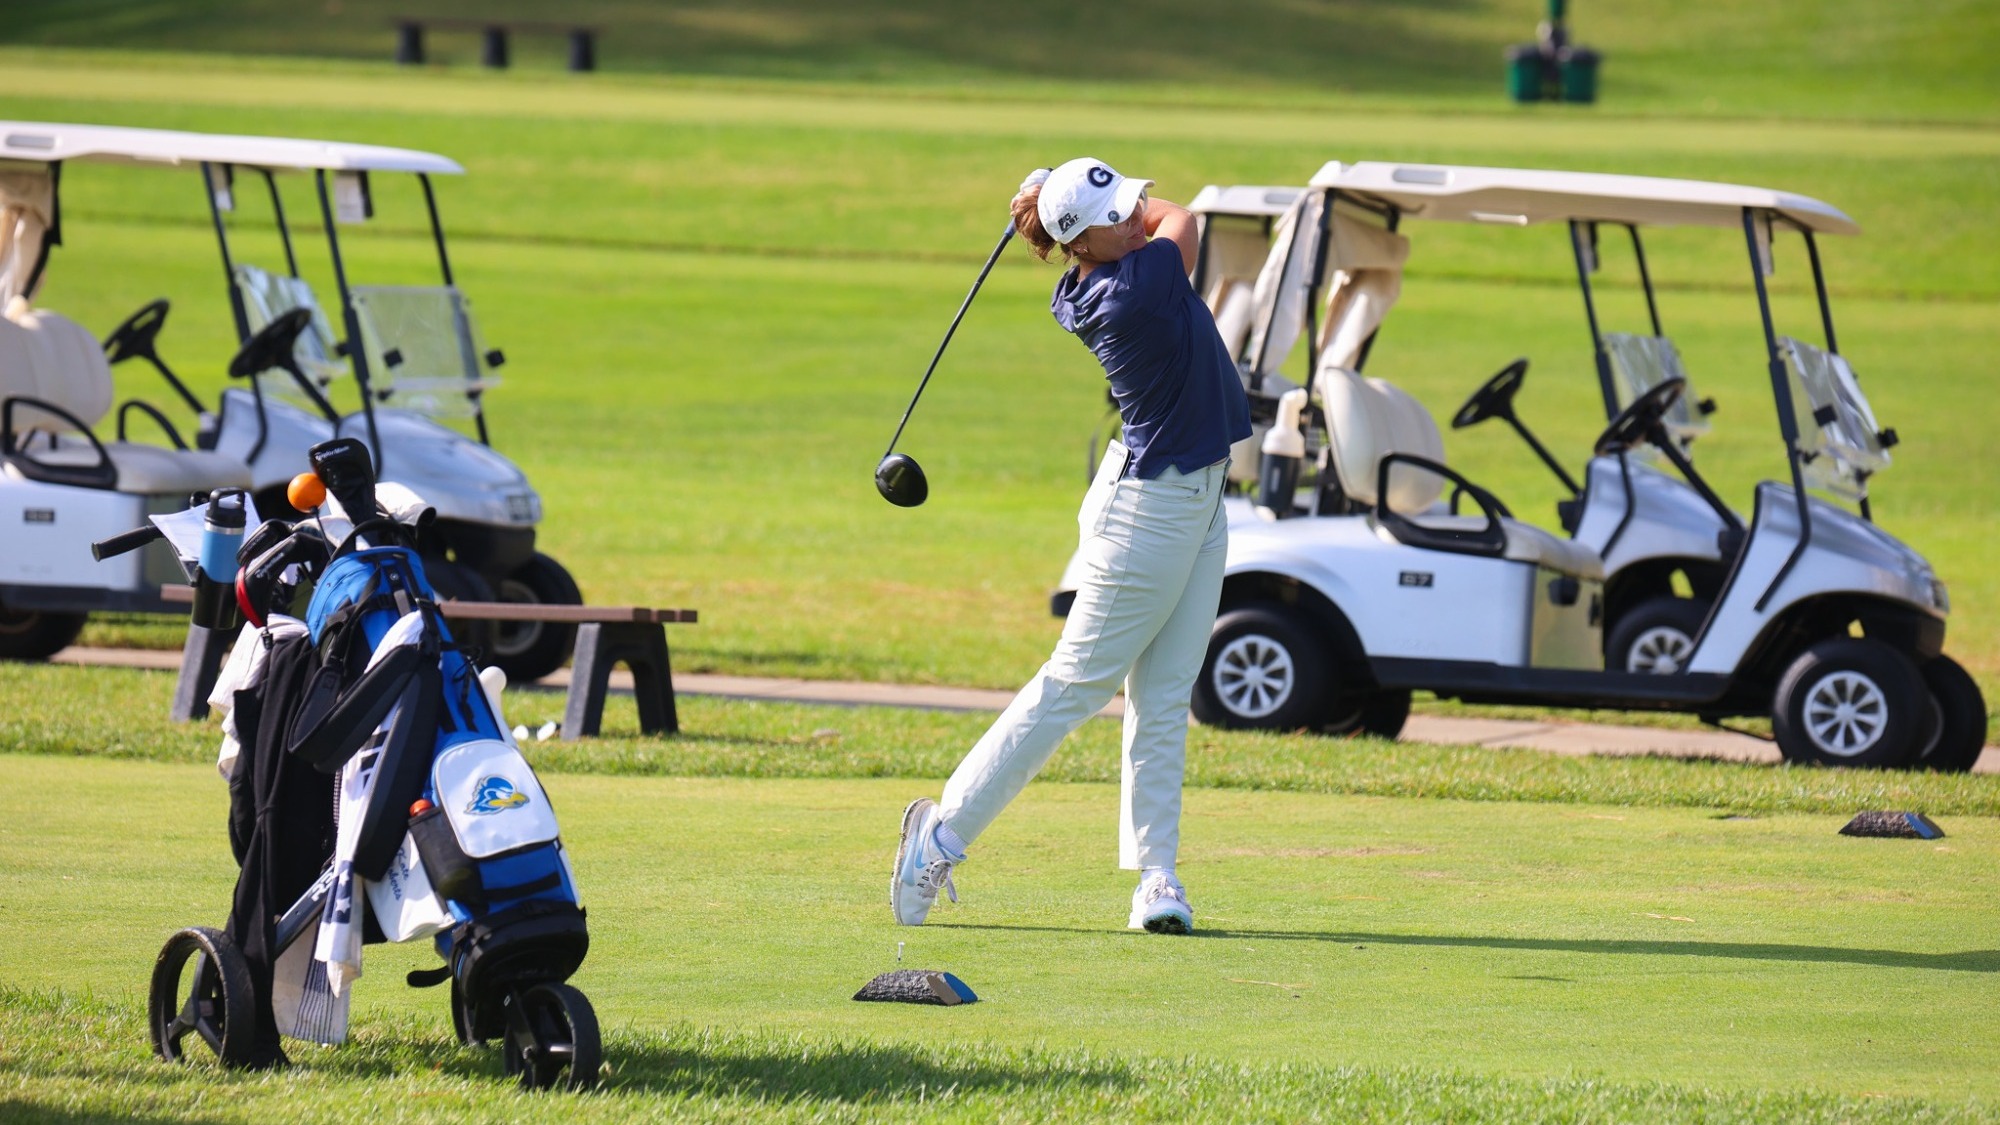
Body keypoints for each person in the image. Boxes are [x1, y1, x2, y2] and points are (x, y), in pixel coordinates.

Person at [892, 157, 1251, 934]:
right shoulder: (1136, 289)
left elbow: (1146, 217)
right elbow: (1182, 217)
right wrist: (1061, 188)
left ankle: (1156, 879)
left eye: (1126, 204)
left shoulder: (1093, 275)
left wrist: (1065, 194)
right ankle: (939, 837)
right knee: (1075, 684)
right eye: (1114, 216)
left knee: (1165, 694)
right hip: (1151, 511)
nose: (1134, 217)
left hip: (1195, 500)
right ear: (1082, 243)